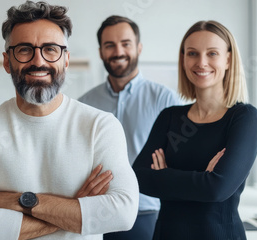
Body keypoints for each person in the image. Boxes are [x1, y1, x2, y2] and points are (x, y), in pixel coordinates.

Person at [0, 0, 139, 239]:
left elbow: (123, 213)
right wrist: (74, 207)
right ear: (7, 61)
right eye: (25, 49)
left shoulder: (100, 126)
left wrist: (25, 202)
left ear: (66, 60)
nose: (38, 61)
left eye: (50, 49)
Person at [133, 20, 257, 240]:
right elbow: (139, 178)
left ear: (228, 59)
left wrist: (164, 177)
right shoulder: (170, 116)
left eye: (212, 53)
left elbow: (217, 189)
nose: (201, 62)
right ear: (183, 59)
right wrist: (203, 179)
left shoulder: (244, 118)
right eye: (192, 53)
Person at [78, 15, 182, 240]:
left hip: (147, 212)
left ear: (139, 48)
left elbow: (182, 159)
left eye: (125, 44)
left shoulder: (166, 100)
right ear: (100, 52)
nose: (118, 52)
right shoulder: (83, 104)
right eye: (109, 45)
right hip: (97, 213)